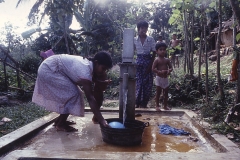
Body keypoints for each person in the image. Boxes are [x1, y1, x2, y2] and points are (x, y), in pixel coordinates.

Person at [32, 51, 113, 132]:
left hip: (52, 67)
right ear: (96, 63)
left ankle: (59, 121)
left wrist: (100, 82)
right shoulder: (85, 69)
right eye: (103, 68)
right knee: (74, 94)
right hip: (49, 69)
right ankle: (61, 124)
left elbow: (89, 79)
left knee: (72, 93)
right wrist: (102, 120)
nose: (103, 71)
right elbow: (90, 98)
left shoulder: (88, 66)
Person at [134, 20, 156, 108]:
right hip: (138, 62)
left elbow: (154, 52)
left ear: (147, 29)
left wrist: (150, 65)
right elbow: (131, 51)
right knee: (138, 83)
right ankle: (137, 102)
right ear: (138, 29)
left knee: (147, 84)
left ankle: (144, 103)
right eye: (141, 28)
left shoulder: (151, 39)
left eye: (145, 28)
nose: (143, 30)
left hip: (148, 62)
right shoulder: (134, 39)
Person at [152, 42, 173, 111]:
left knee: (166, 92)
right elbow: (153, 68)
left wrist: (168, 71)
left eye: (164, 49)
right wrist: (159, 72)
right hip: (159, 78)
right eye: (160, 49)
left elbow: (171, 67)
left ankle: (165, 106)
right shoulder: (157, 60)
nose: (162, 51)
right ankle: (157, 106)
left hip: (165, 78)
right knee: (158, 92)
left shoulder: (167, 60)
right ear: (157, 51)